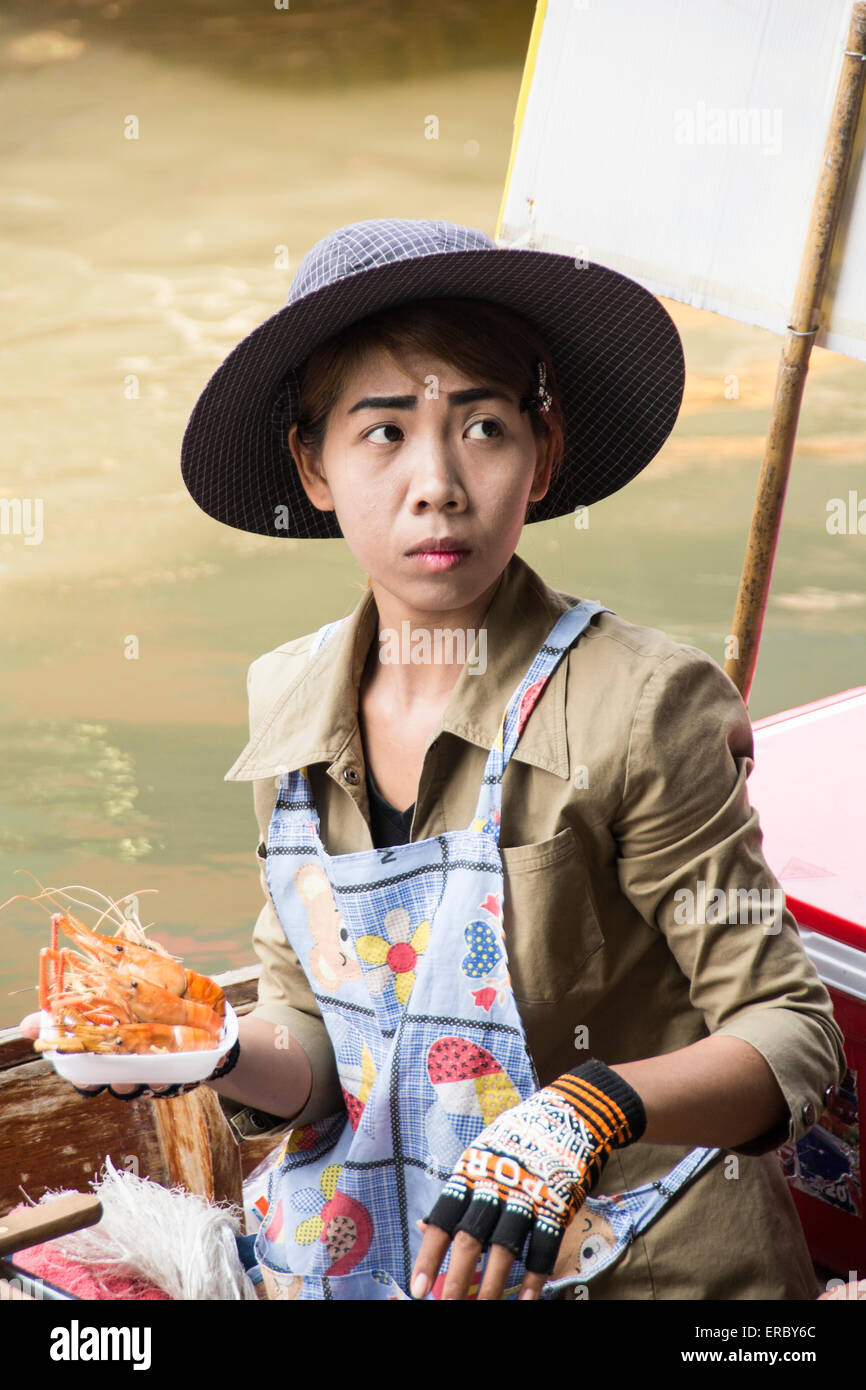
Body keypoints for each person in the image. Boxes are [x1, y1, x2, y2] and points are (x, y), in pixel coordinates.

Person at [28, 218, 847, 1301]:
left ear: (540, 458)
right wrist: (213, 1048)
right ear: (310, 467)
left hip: (641, 1268)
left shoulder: (643, 704)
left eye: (481, 427)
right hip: (391, 1259)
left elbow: (790, 1032)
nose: (436, 483)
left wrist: (584, 1110)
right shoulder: (286, 699)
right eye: (380, 433)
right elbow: (320, 1044)